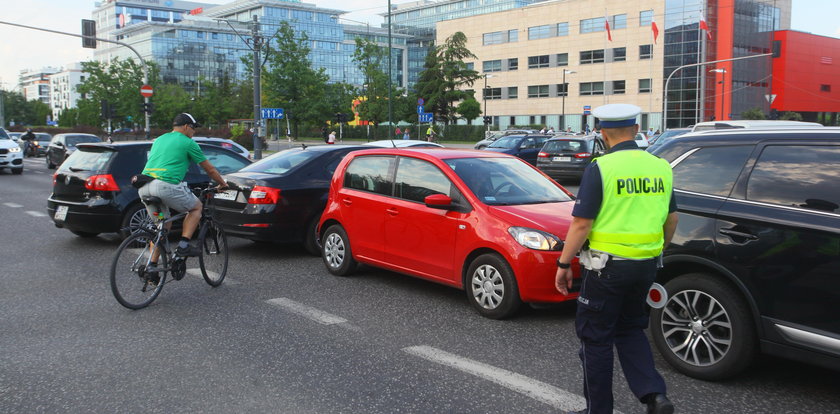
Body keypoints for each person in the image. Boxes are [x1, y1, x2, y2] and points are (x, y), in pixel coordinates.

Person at [555, 104, 678, 414]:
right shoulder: (660, 166)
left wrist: (563, 263)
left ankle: (599, 410)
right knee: (631, 329)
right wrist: (656, 251)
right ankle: (654, 396)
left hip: (606, 268)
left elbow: (582, 223)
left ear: (602, 134)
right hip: (646, 264)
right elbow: (672, 218)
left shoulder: (602, 167)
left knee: (595, 340)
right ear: (636, 131)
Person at [137, 113, 229, 280]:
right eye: (194, 128)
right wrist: (222, 184)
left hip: (144, 187)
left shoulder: (160, 139)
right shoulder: (188, 142)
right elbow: (210, 170)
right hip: (165, 186)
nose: (194, 132)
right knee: (196, 208)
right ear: (186, 126)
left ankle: (151, 268)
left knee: (162, 226)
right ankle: (184, 246)